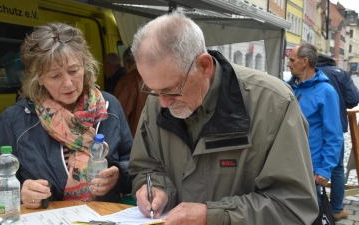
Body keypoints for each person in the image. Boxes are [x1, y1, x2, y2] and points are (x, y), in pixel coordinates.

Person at [128, 12, 318, 224]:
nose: (162, 102)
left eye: (171, 90)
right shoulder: (158, 99)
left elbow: (293, 206)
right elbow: (146, 166)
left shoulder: (274, 103)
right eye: (153, 90)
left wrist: (213, 217)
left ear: (205, 66)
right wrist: (155, 187)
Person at [0, 22, 133, 210]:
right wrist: (19, 195)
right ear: (38, 78)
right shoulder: (14, 120)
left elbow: (135, 164)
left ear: (85, 65)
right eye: (55, 76)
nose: (68, 83)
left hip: (104, 218)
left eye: (74, 71)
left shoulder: (109, 107)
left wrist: (119, 176)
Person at [286, 43, 343, 206]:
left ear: (305, 61)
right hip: (288, 163)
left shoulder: (327, 92)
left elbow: (334, 136)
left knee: (310, 212)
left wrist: (324, 171)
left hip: (309, 168)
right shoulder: (290, 87)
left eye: (292, 60)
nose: (288, 64)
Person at [316, 53, 359, 220]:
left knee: (311, 166)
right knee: (337, 168)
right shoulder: (340, 73)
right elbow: (354, 99)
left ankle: (317, 208)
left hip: (311, 128)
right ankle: (336, 209)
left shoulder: (308, 72)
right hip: (335, 127)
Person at [113, 47, 148, 137]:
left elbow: (118, 117)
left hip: (136, 141)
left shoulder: (127, 81)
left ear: (127, 64)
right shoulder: (157, 76)